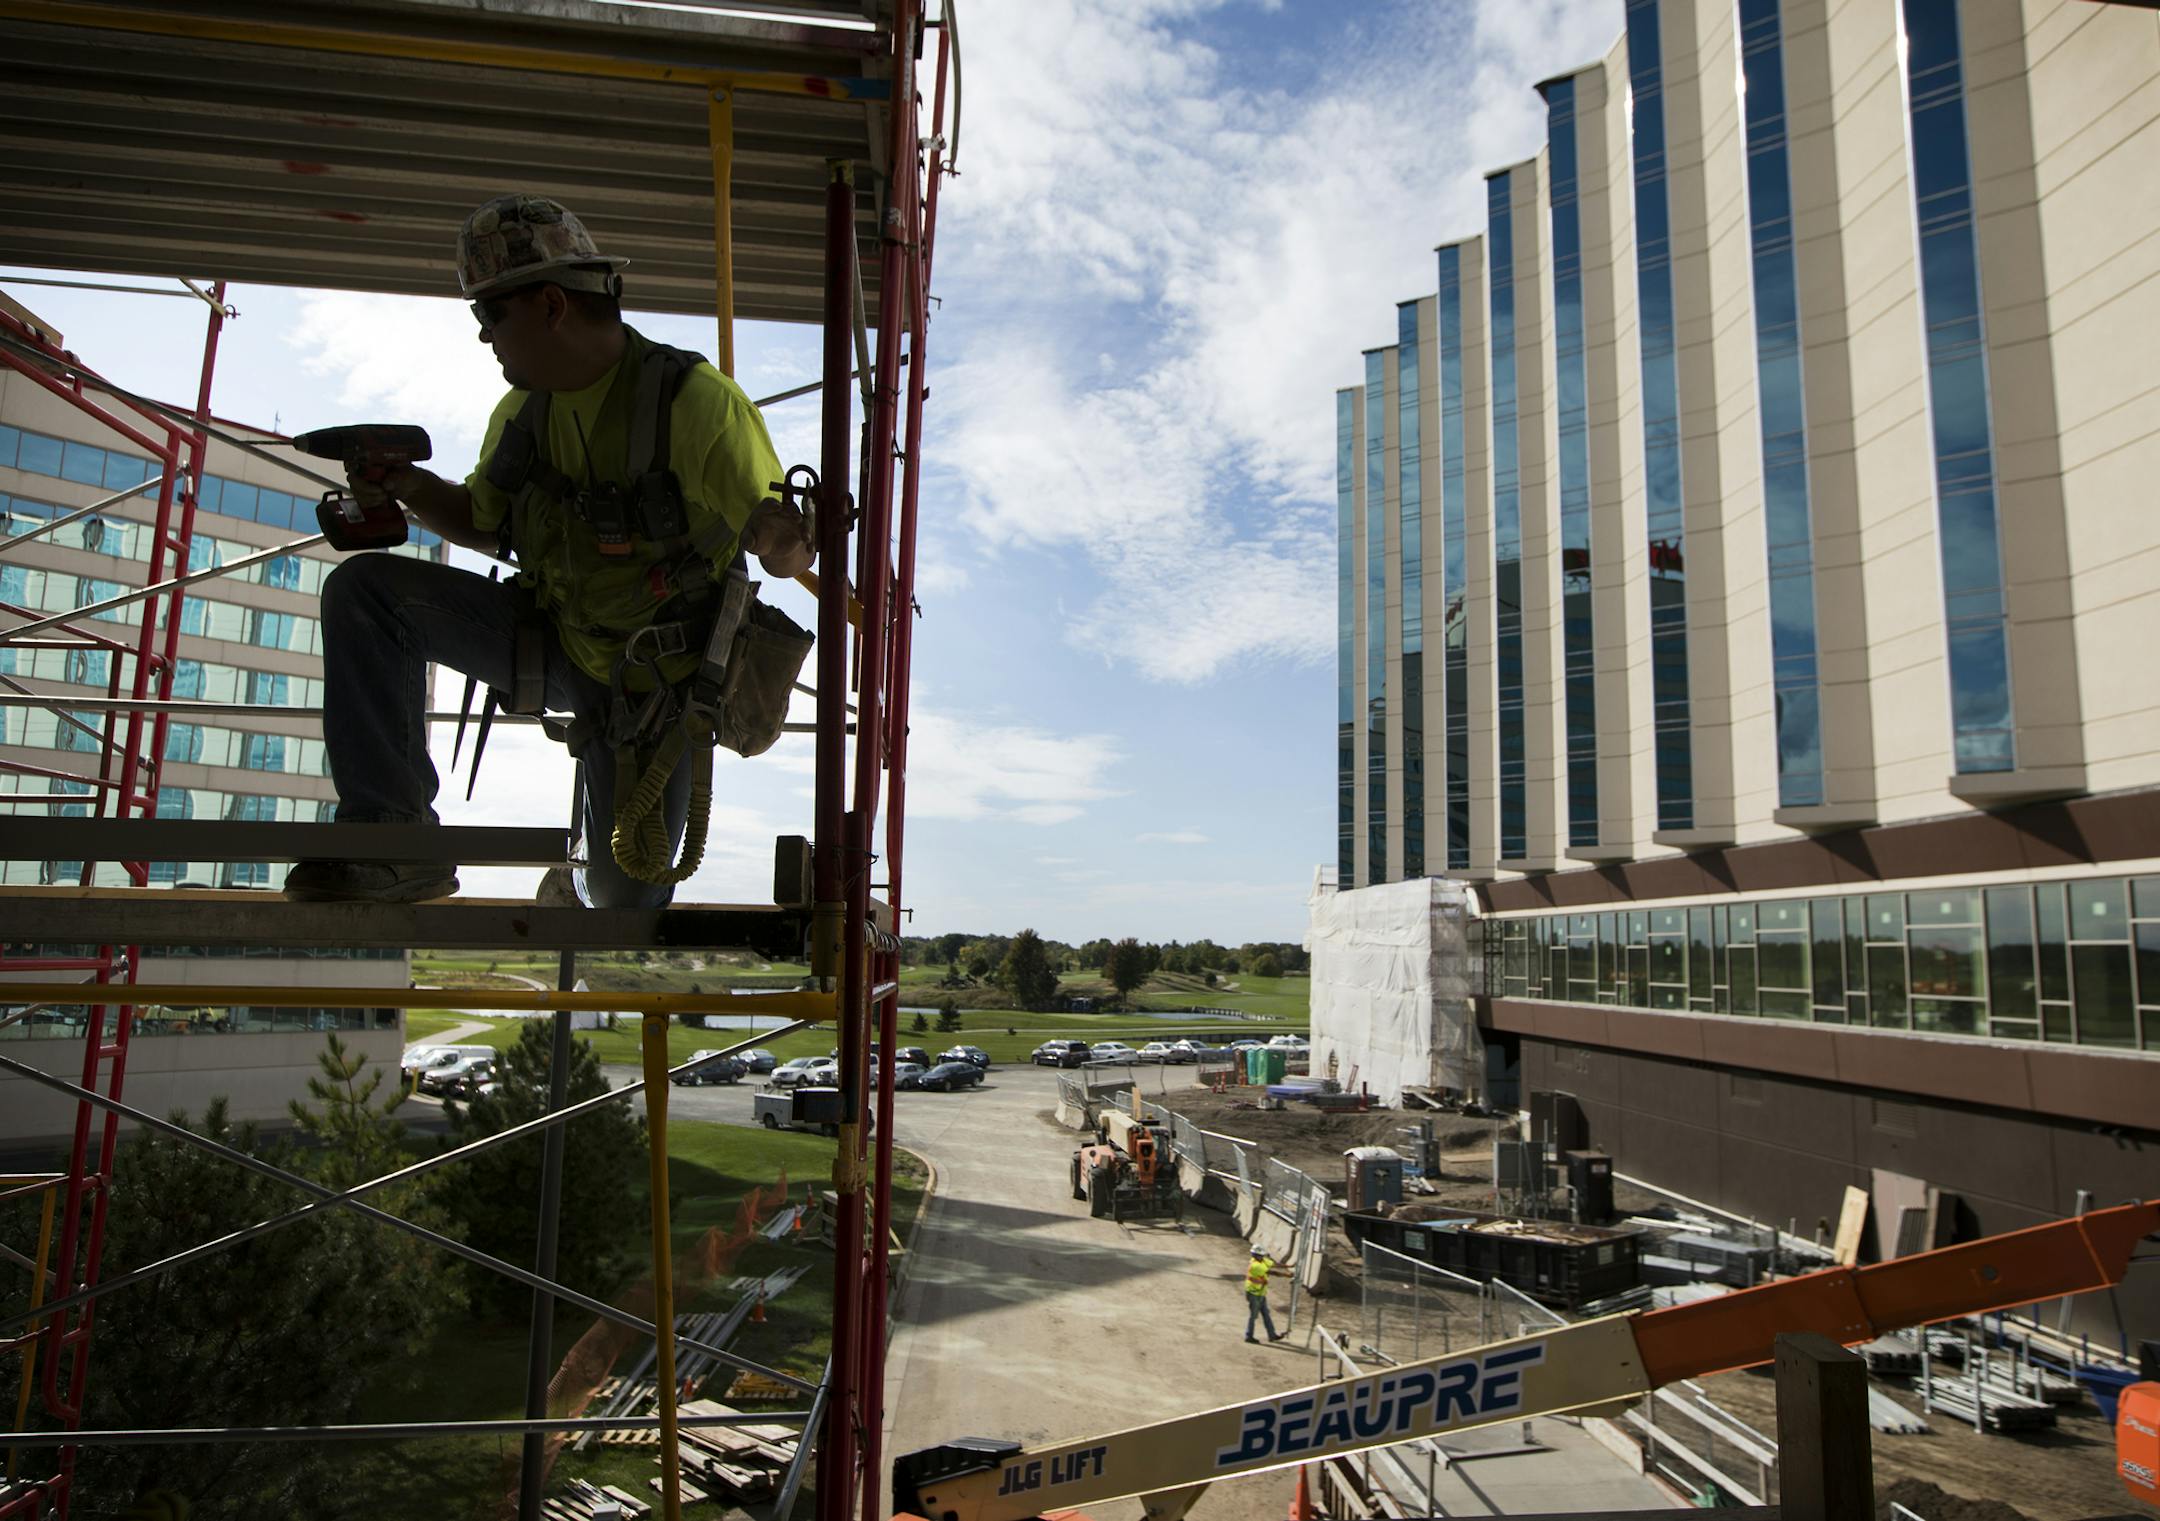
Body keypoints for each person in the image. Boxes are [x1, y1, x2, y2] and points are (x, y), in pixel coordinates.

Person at [284, 193, 813, 908]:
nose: (484, 337)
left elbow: (777, 536)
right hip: (557, 640)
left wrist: (787, 543)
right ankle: (394, 841)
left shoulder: (692, 403)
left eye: (490, 315)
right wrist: (405, 483)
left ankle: (584, 887)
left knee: (626, 904)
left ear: (552, 306)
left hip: (652, 686)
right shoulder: (526, 413)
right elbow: (481, 519)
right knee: (368, 594)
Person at [1244, 1245, 1287, 1343]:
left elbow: (1274, 1264)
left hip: (1261, 1293)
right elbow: (1271, 1272)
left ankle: (1272, 1335)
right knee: (1253, 1316)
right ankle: (1248, 1336)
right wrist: (1286, 1274)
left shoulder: (1262, 1261)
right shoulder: (1255, 1265)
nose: (1262, 1257)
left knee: (1266, 1315)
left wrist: (1288, 1266)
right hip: (1254, 1294)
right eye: (1260, 1255)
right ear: (1255, 1255)